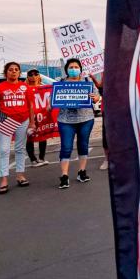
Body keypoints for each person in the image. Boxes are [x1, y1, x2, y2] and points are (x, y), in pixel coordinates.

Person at [53, 58, 101, 189]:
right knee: (66, 147)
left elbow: (97, 97)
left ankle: (82, 172)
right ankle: (64, 176)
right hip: (65, 120)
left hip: (86, 119)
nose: (73, 69)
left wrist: (95, 98)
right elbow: (54, 97)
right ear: (67, 69)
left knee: (83, 145)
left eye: (76, 67)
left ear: (80, 68)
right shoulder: (60, 83)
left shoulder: (87, 82)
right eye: (71, 67)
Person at [0, 61, 30, 193]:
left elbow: (30, 106)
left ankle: (20, 175)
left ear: (19, 72)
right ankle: (4, 179)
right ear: (6, 72)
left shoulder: (25, 87)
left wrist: (33, 122)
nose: (13, 71)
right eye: (10, 69)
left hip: (23, 120)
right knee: (4, 150)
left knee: (20, 149)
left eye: (16, 69)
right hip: (5, 121)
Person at [24, 69, 49, 167]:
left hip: (42, 115)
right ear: (28, 77)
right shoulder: (25, 88)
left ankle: (42, 158)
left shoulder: (44, 87)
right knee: (29, 137)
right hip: (29, 116)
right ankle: (33, 159)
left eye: (35, 74)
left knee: (43, 135)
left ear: (39, 76)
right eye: (30, 74)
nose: (33, 76)